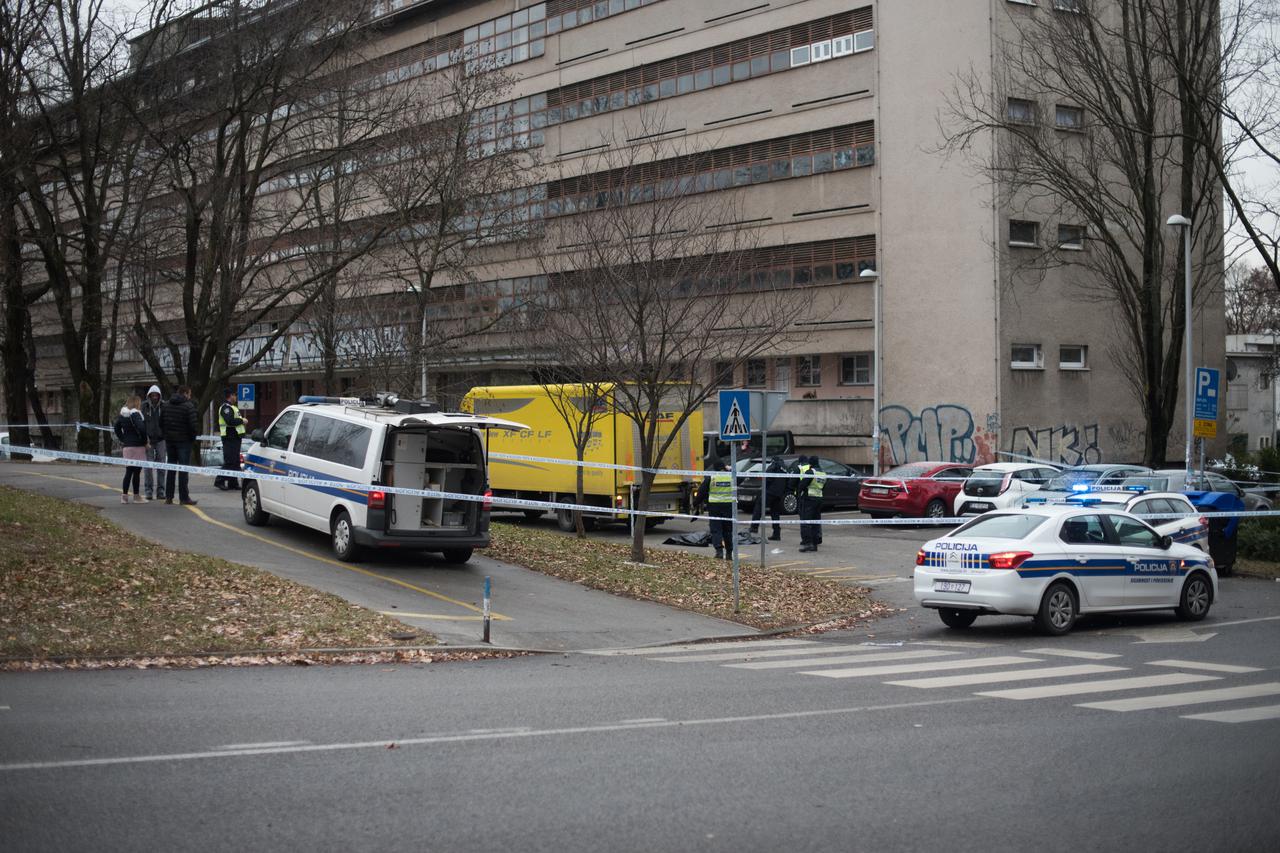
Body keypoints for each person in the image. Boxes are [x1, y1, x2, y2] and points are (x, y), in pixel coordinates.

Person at [159, 385, 199, 506]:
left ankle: (169, 497)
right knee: (183, 470)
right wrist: (192, 439)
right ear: (185, 393)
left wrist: (166, 435)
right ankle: (184, 498)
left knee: (171, 469)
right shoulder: (188, 406)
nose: (190, 396)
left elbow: (161, 423)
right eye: (189, 394)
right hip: (184, 442)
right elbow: (193, 426)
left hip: (170, 441)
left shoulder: (165, 405)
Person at [696, 460, 735, 559]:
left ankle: (719, 551)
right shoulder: (732, 476)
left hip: (714, 506)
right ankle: (729, 552)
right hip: (728, 506)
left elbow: (701, 492)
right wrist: (730, 469)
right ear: (724, 467)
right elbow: (741, 478)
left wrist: (695, 503)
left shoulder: (711, 477)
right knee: (728, 530)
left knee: (716, 529)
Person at [113, 396, 148, 504]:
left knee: (128, 472)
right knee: (136, 472)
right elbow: (141, 428)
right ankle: (136, 497)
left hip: (127, 446)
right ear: (137, 404)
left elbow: (116, 428)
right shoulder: (136, 414)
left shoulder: (123, 415)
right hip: (137, 446)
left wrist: (123, 438)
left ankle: (124, 496)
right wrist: (145, 441)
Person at [214, 388, 248, 491]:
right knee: (229, 461)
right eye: (235, 395)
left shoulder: (233, 407)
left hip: (235, 437)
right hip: (229, 437)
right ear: (231, 396)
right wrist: (242, 420)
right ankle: (219, 481)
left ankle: (232, 482)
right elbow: (229, 421)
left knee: (236, 461)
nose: (236, 397)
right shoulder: (226, 408)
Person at [140, 385, 166, 500]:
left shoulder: (164, 406)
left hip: (161, 440)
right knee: (148, 467)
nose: (155, 397)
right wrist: (144, 439)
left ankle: (161, 491)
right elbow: (141, 424)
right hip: (148, 440)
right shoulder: (144, 407)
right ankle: (148, 491)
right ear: (149, 395)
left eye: (156, 395)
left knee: (161, 466)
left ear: (159, 396)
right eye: (153, 395)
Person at [749, 457, 785, 541]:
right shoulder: (784, 468)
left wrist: (765, 488)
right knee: (775, 513)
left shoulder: (773, 465)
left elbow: (767, 478)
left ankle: (754, 527)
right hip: (779, 494)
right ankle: (776, 533)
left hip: (770, 492)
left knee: (759, 507)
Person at [796, 455, 827, 553]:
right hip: (819, 499)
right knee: (815, 522)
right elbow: (823, 487)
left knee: (806, 522)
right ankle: (814, 544)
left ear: (811, 463)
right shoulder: (823, 474)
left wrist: (799, 493)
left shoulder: (810, 472)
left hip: (809, 498)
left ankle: (807, 543)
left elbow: (802, 485)